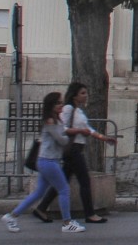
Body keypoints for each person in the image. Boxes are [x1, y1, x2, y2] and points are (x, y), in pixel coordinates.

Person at [0, 91, 88, 234]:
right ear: (51, 105)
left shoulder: (56, 119)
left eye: (61, 102)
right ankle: (67, 222)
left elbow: (61, 136)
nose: (61, 105)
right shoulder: (50, 121)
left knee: (39, 192)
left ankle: (12, 216)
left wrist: (67, 133)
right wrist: (69, 136)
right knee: (64, 189)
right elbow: (61, 140)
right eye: (58, 103)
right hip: (49, 161)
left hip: (48, 160)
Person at [32, 82, 116, 224]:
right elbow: (61, 128)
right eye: (82, 93)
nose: (86, 96)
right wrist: (79, 131)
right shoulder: (68, 109)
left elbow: (88, 129)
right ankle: (90, 213)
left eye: (86, 93)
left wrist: (104, 138)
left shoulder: (78, 111)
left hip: (76, 148)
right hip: (72, 150)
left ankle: (42, 207)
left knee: (63, 180)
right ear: (74, 95)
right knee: (84, 180)